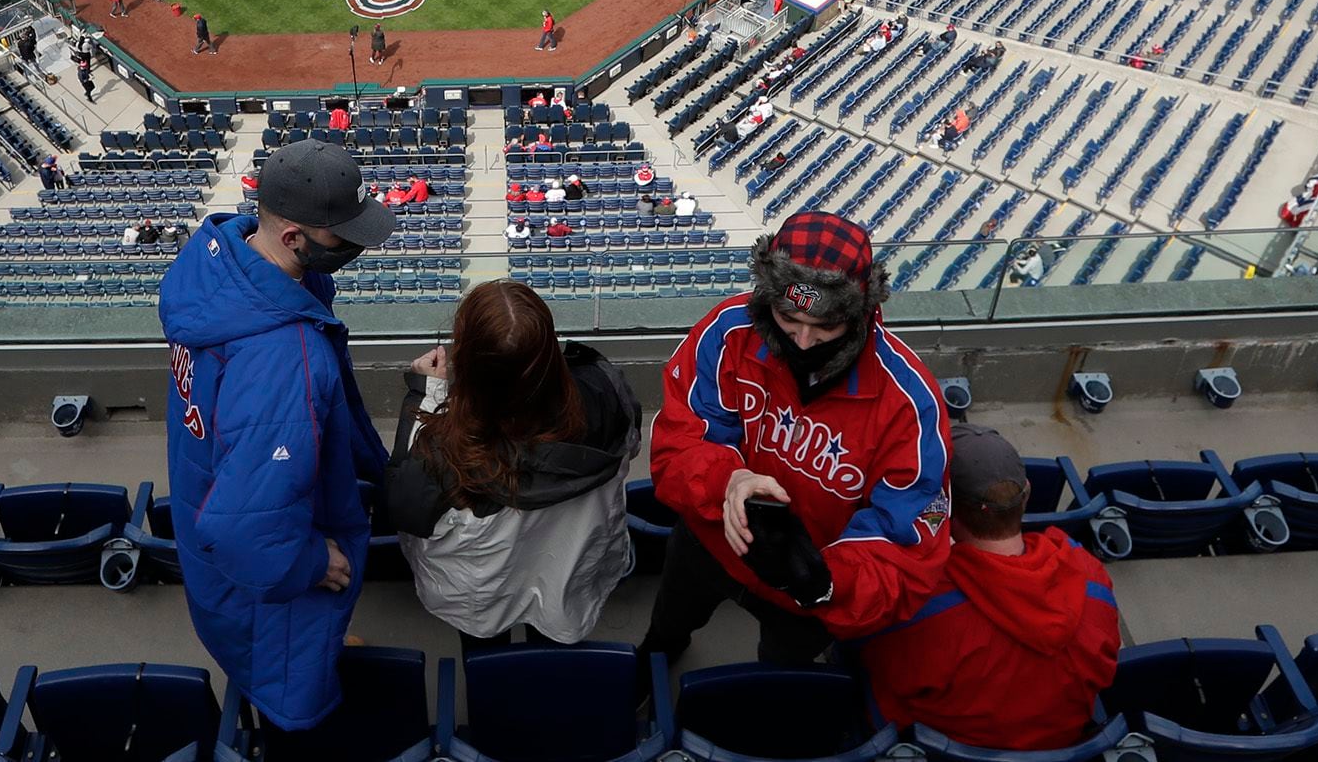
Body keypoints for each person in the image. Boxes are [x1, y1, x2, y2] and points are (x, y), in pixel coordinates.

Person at [641, 211, 951, 670]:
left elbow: (908, 543)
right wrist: (729, 481)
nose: (804, 341)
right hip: (711, 541)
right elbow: (678, 441)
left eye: (825, 326)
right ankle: (658, 657)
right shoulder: (727, 335)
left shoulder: (909, 404)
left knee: (778, 679)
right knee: (666, 628)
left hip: (806, 589)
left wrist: (825, 581)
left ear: (860, 314)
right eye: (788, 318)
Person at [158, 139, 397, 732]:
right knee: (295, 694)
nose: (355, 244)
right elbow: (242, 528)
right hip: (268, 587)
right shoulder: (282, 358)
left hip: (218, 509)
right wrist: (311, 563)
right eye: (342, 234)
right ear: (294, 237)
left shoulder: (226, 262)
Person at [385, 281, 642, 652]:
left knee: (487, 662)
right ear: (550, 351)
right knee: (553, 655)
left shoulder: (443, 447)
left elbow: (404, 505)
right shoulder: (605, 390)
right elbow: (628, 447)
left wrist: (424, 395)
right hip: (566, 577)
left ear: (470, 364)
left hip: (483, 594)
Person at [859, 424, 1119, 751]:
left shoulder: (916, 607)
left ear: (944, 506)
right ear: (1027, 492)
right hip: (1060, 748)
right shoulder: (1092, 578)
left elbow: (877, 665)